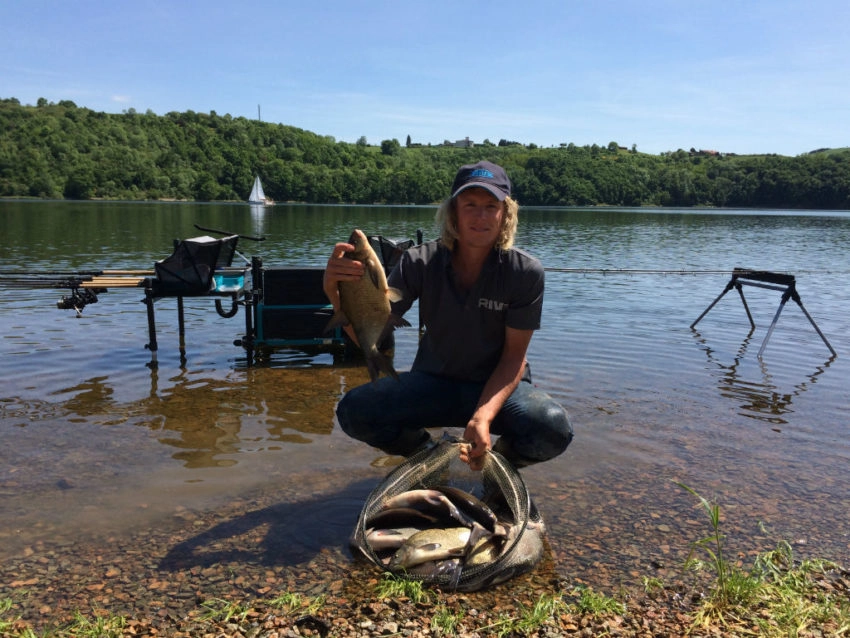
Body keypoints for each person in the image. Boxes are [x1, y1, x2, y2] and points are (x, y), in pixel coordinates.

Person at [323, 160, 573, 470]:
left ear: (505, 214)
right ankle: (427, 455)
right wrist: (337, 296)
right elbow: (370, 336)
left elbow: (513, 360)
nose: (480, 215)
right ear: (453, 211)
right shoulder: (419, 261)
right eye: (470, 204)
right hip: (432, 383)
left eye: (490, 206)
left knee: (553, 427)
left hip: (496, 389)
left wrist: (482, 417)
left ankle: (498, 467)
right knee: (354, 410)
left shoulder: (525, 272)